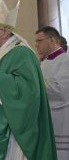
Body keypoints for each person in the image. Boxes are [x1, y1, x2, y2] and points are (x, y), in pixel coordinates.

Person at [0, 0, 57, 160]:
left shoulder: (21, 53)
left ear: (5, 33)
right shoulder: (4, 54)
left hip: (17, 131)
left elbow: (29, 92)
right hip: (5, 121)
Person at [35, 26, 69, 160]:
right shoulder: (43, 62)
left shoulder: (66, 60)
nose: (36, 44)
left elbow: (60, 90)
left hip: (60, 119)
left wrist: (34, 83)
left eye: (39, 40)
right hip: (45, 117)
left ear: (51, 40)